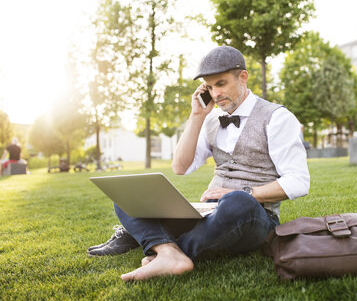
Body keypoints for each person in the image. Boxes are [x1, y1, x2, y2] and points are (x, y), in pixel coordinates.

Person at [88, 46, 310, 281]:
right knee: (128, 193)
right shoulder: (211, 119)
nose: (215, 94)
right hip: (209, 212)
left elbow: (299, 182)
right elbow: (180, 167)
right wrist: (196, 117)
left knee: (237, 202)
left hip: (253, 215)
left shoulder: (277, 117)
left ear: (243, 77)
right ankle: (168, 253)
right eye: (210, 87)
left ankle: (160, 244)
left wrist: (242, 192)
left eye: (221, 83)